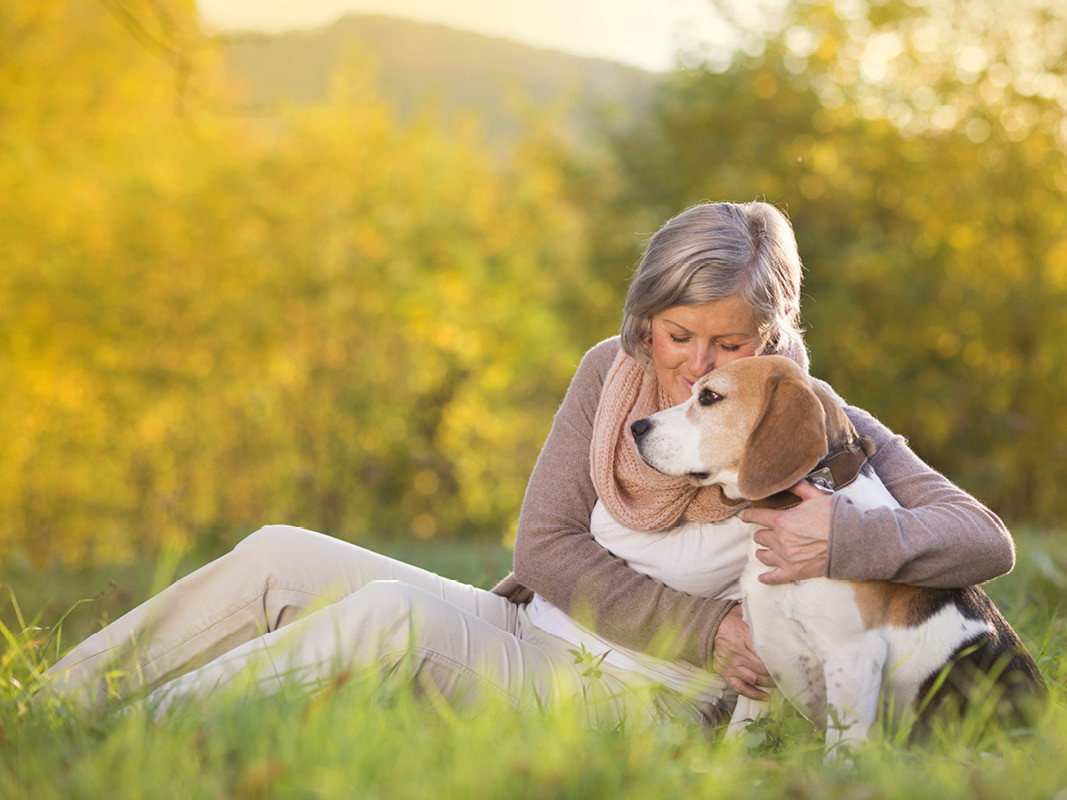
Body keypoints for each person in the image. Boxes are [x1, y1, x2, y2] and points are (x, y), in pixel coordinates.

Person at [40, 201, 1015, 729]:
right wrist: (711, 618)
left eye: (736, 341)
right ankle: (52, 707)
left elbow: (983, 540)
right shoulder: (609, 373)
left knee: (384, 617)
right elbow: (541, 545)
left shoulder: (818, 430)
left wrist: (843, 531)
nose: (700, 366)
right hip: (527, 622)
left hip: (638, 697)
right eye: (680, 334)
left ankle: (135, 737)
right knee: (280, 549)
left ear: (775, 332)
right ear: (646, 320)